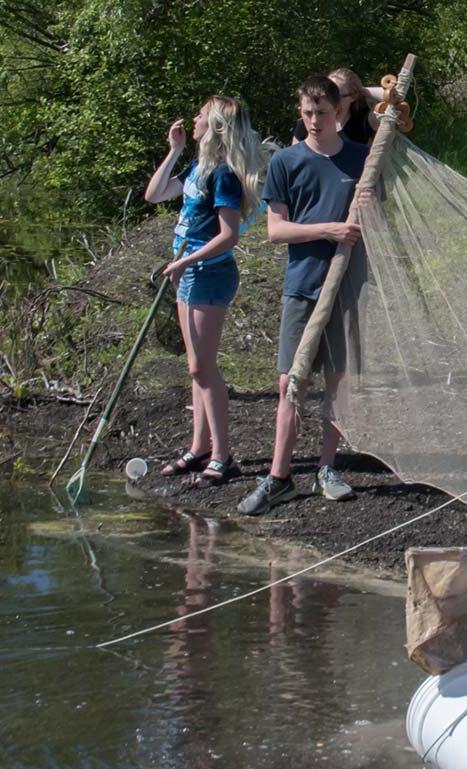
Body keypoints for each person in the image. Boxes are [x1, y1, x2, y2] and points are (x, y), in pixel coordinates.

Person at [237, 76, 371, 516]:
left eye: (322, 112)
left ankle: (326, 469)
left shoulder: (360, 160)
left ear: (339, 112)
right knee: (290, 382)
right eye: (307, 113)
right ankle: (279, 477)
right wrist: (328, 230)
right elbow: (276, 230)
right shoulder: (287, 162)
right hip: (303, 283)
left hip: (347, 286)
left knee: (337, 380)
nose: (315, 121)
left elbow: (377, 222)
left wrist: (369, 206)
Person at [145, 95, 269, 486]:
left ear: (214, 125)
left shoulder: (224, 176)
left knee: (203, 367)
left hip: (209, 275)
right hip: (188, 275)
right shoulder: (199, 167)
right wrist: (175, 150)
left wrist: (184, 262)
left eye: (200, 114)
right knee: (195, 367)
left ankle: (222, 454)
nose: (193, 117)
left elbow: (229, 236)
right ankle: (199, 448)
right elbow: (154, 194)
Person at [292, 68, 383, 145]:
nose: (331, 100)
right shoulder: (307, 123)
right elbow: (292, 159)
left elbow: (396, 98)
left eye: (336, 95)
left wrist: (363, 90)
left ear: (353, 96)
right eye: (327, 94)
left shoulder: (364, 121)